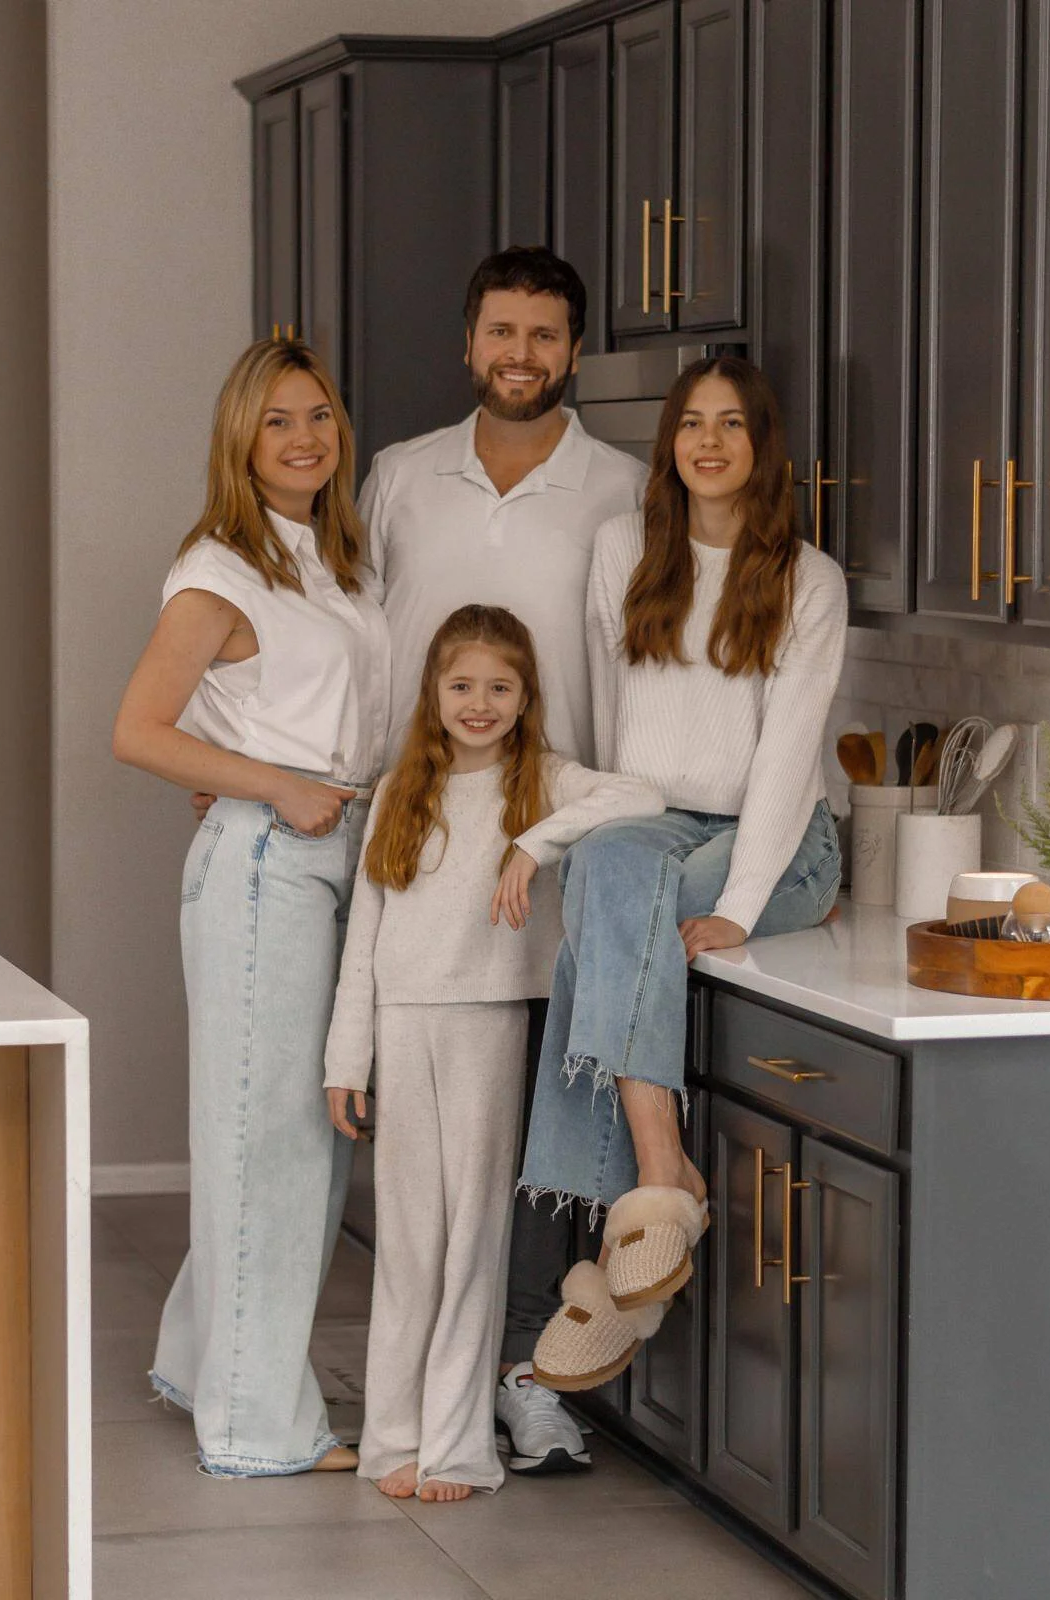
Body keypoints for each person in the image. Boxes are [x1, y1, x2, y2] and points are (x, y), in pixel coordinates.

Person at [359, 246, 647, 1471]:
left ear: (574, 351)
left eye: (544, 335)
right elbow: (366, 650)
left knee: (537, 1148)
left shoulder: (626, 490)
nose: (519, 355)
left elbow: (637, 675)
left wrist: (571, 831)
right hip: (411, 843)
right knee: (416, 1152)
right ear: (468, 343)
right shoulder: (398, 478)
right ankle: (415, 1392)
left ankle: (522, 1376)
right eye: (500, 332)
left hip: (556, 853)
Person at [520, 356, 847, 1391]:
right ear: (669, 443)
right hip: (648, 824)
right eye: (691, 423)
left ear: (763, 446)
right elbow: (596, 709)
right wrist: (579, 814)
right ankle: (660, 1184)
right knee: (609, 878)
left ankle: (629, 1255)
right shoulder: (624, 548)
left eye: (731, 425)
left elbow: (790, 762)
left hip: (781, 840)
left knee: (600, 926)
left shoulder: (808, 578)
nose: (708, 442)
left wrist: (742, 905)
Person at [113, 338, 391, 1475]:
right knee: (268, 1143)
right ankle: (254, 1425)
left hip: (336, 855)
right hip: (271, 859)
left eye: (319, 416)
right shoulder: (219, 570)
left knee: (289, 1139)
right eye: (278, 421)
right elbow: (138, 729)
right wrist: (275, 784)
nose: (305, 439)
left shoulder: (331, 560)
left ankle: (200, 1363)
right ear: (241, 438)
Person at [322, 606, 661, 1501]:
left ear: (525, 697)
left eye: (500, 687)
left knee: (474, 1240)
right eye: (462, 685)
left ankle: (458, 1447)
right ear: (433, 692)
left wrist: (533, 839)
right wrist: (344, 1062)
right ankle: (393, 1440)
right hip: (401, 1022)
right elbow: (365, 935)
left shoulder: (540, 780)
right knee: (407, 1246)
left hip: (491, 1023)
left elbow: (642, 796)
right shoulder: (402, 787)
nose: (480, 703)